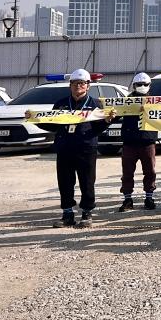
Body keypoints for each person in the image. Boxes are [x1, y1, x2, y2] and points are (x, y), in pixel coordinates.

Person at [47, 69, 110, 228]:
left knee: (87, 182)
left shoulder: (95, 104)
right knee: (65, 182)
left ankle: (86, 213)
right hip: (65, 148)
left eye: (82, 83)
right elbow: (52, 125)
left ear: (88, 86)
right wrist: (34, 119)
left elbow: (99, 128)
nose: (78, 86)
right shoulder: (61, 104)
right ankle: (67, 214)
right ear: (70, 85)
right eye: (75, 83)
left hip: (86, 148)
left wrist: (107, 121)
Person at [117, 72, 158, 212]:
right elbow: (114, 114)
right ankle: (127, 199)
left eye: (145, 84)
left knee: (150, 172)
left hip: (148, 141)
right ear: (134, 86)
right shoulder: (126, 101)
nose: (142, 86)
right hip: (129, 142)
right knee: (127, 173)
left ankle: (149, 197)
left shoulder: (155, 101)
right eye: (139, 84)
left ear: (149, 85)